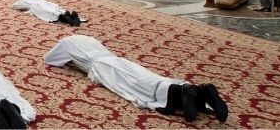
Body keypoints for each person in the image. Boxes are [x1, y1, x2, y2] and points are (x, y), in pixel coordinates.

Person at [44, 35, 228, 123]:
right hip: (117, 60)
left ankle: (179, 93)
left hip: (102, 67)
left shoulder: (66, 42)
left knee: (136, 88)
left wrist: (69, 60)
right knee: (147, 77)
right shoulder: (89, 38)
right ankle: (196, 92)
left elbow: (49, 59)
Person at [12, 0, 83, 27]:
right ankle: (68, 15)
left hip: (36, 5)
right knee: (53, 9)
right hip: (45, 3)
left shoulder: (23, 1)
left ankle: (65, 17)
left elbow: (14, 6)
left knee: (46, 13)